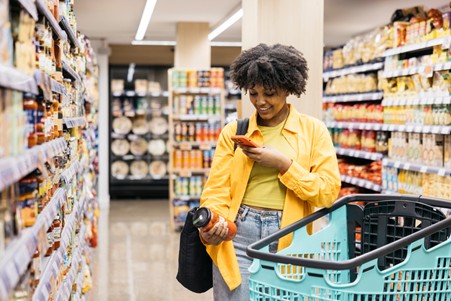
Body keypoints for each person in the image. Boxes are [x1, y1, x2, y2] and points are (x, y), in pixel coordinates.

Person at [198, 43, 341, 300]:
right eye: (253, 93)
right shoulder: (234, 132)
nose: (260, 102)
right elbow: (217, 188)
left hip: (292, 234)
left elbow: (327, 193)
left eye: (270, 93)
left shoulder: (313, 131)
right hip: (239, 233)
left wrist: (284, 165)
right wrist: (215, 222)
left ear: (288, 88)